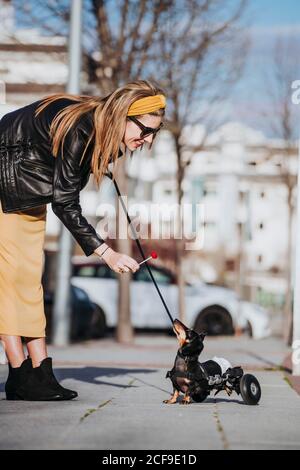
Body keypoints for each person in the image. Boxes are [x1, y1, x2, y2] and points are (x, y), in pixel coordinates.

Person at [0, 79, 166, 401]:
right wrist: (107, 253)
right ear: (124, 115)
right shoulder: (81, 128)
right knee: (13, 279)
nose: (146, 140)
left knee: (27, 279)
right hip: (6, 180)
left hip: (27, 187)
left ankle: (39, 372)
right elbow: (65, 202)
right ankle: (20, 373)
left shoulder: (97, 130)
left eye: (153, 134)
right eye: (144, 130)